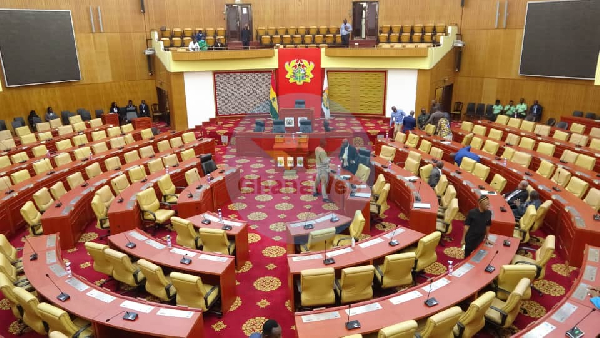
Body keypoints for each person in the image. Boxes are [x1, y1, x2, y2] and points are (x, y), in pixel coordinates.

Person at [313, 138, 331, 202]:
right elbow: (324, 161)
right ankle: (325, 197)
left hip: (318, 167)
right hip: (323, 168)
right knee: (324, 182)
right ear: (323, 144)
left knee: (317, 179)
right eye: (325, 143)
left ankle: (314, 191)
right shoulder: (322, 152)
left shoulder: (316, 148)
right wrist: (329, 159)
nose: (326, 144)